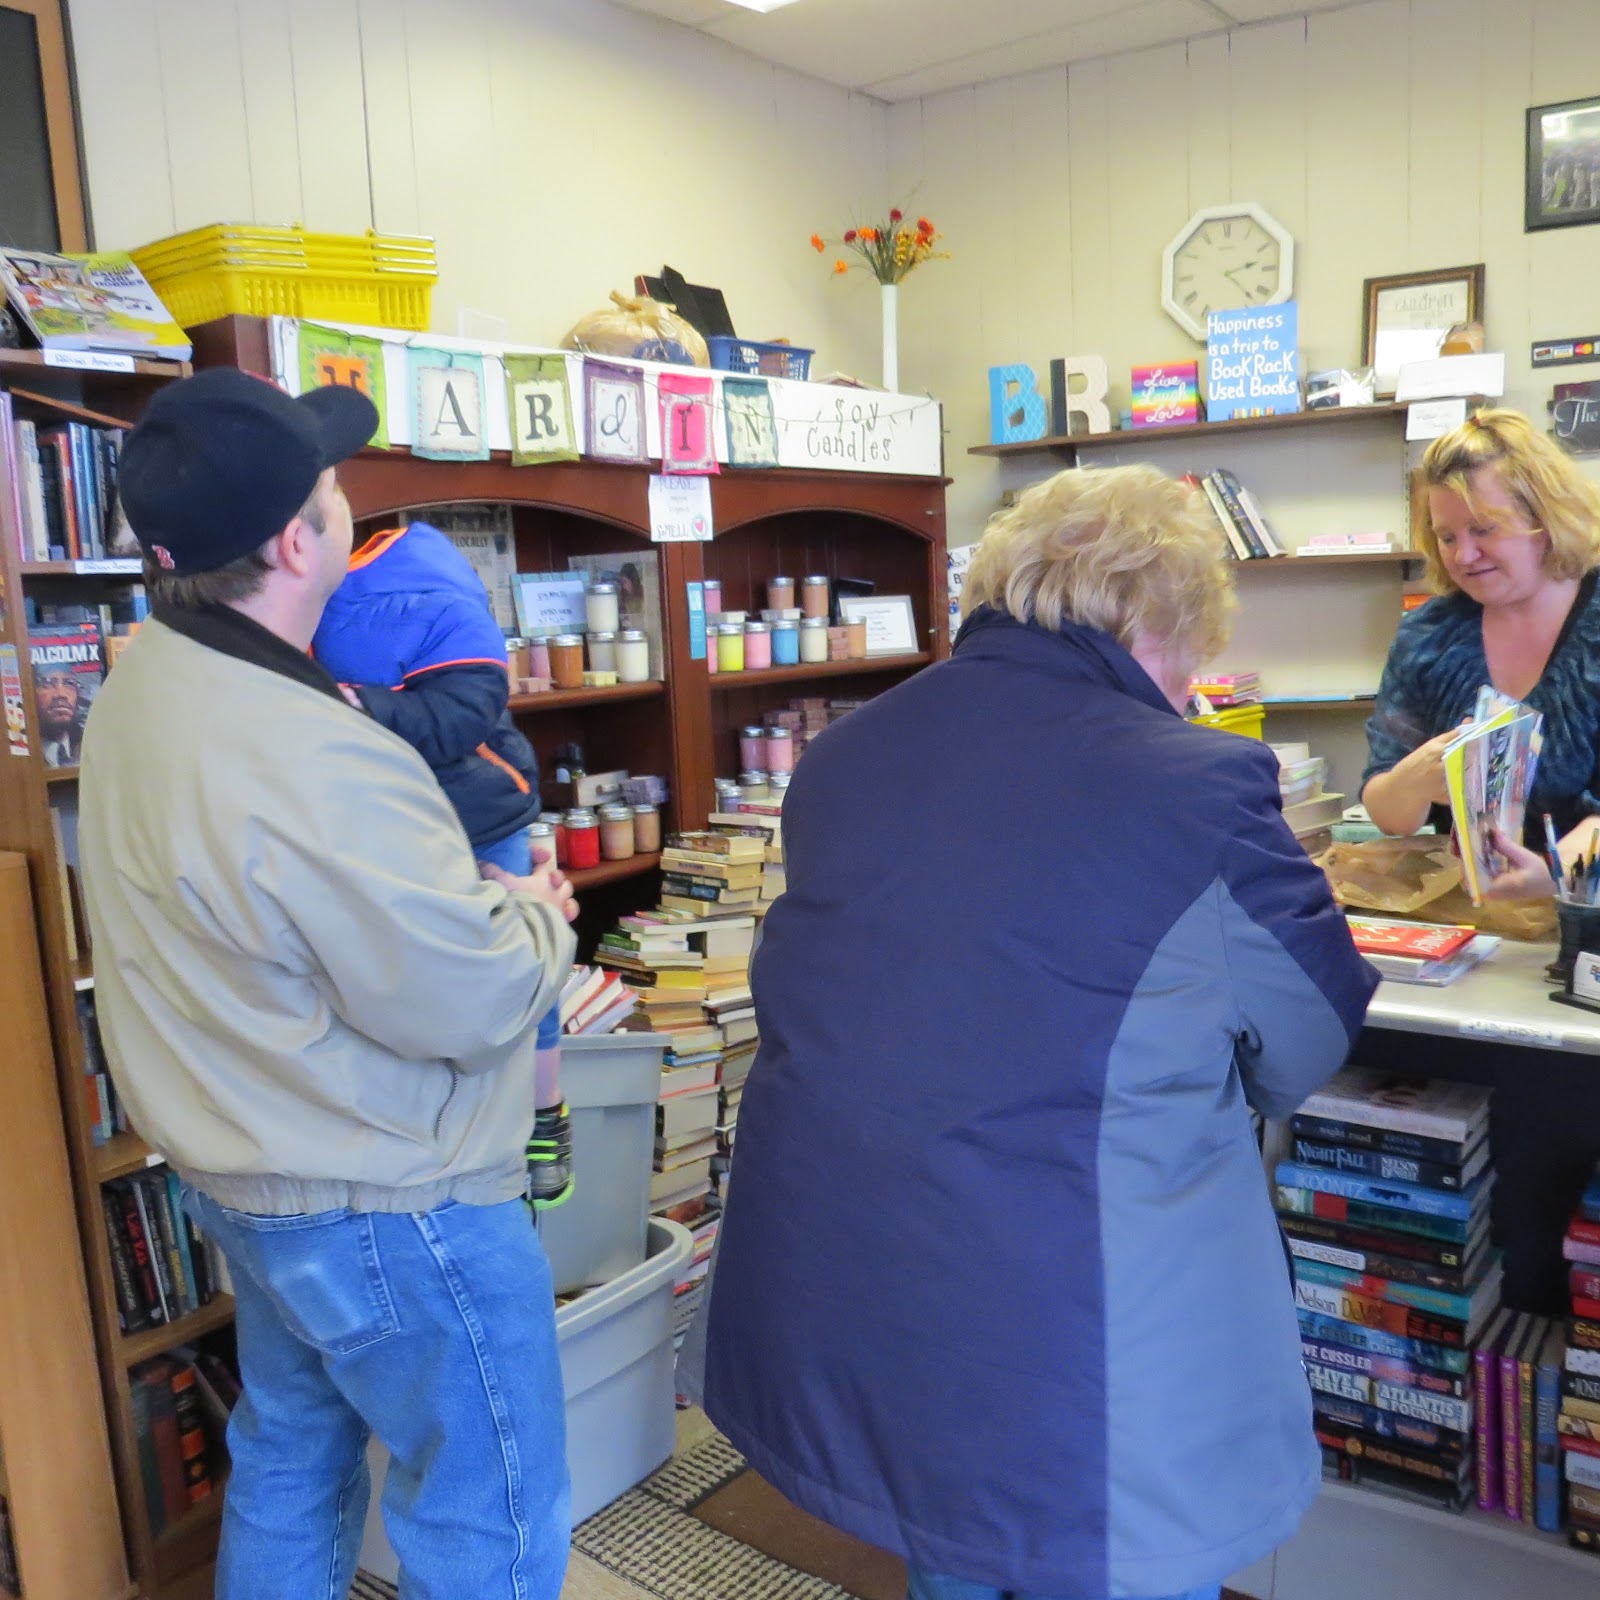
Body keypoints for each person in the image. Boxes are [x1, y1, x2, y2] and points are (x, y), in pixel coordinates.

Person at [682, 464, 1378, 1600]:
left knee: (945, 1531)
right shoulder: (1196, 783)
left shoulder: (843, 754)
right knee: (1102, 1555)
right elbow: (1303, 1039)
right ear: (1157, 624)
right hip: (1082, 1334)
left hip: (860, 1283)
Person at [77, 368, 579, 1600]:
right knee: (490, 1516)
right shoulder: (316, 751)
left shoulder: (143, 680)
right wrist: (536, 917)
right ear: (299, 542)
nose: (351, 501)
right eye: (334, 483)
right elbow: (467, 1000)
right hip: (391, 1195)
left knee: (291, 1457)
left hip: (247, 1170)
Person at [312, 520, 571, 1208]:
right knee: (417, 976)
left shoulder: (429, 600)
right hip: (385, 829)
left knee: (526, 968)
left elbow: (461, 716)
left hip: (482, 818)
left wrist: (358, 706)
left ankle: (544, 1113)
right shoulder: (309, 602)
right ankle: (452, 1128)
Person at [1362, 410, 1600, 886]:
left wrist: (1557, 877)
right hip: (1476, 909)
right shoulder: (1426, 636)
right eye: (1447, 537)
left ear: (1545, 517)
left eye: (1485, 529)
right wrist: (1413, 779)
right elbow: (1388, 811)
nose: (1464, 555)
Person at [33, 661, 83, 766]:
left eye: (69, 683)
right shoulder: (16, 757)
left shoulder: (92, 745)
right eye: (47, 683)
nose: (60, 694)